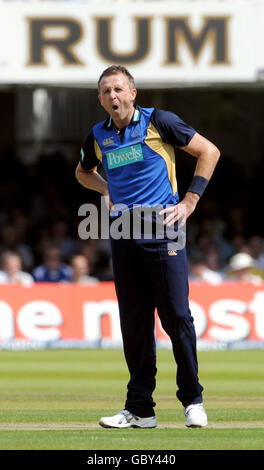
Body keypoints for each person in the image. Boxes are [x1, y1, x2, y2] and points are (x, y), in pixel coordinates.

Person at [76, 65, 220, 429]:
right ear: (100, 99)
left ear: (133, 93)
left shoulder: (160, 121)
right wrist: (106, 189)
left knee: (176, 317)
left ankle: (193, 400)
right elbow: (82, 171)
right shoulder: (98, 135)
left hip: (164, 230)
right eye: (106, 91)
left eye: (119, 89)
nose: (113, 96)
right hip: (123, 234)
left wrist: (189, 201)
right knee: (135, 324)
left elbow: (209, 152)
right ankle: (140, 409)